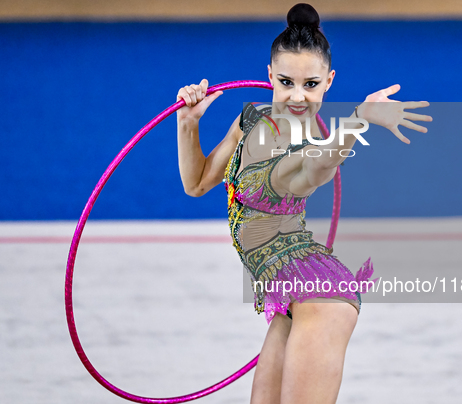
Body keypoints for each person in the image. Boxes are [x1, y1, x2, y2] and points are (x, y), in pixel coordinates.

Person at [176, 3, 432, 403]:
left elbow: (320, 164)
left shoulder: (311, 143)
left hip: (321, 298)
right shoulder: (250, 120)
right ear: (268, 77)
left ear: (328, 81)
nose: (298, 97)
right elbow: (197, 183)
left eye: (311, 85)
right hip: (292, 295)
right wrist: (188, 124)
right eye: (286, 82)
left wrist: (358, 120)